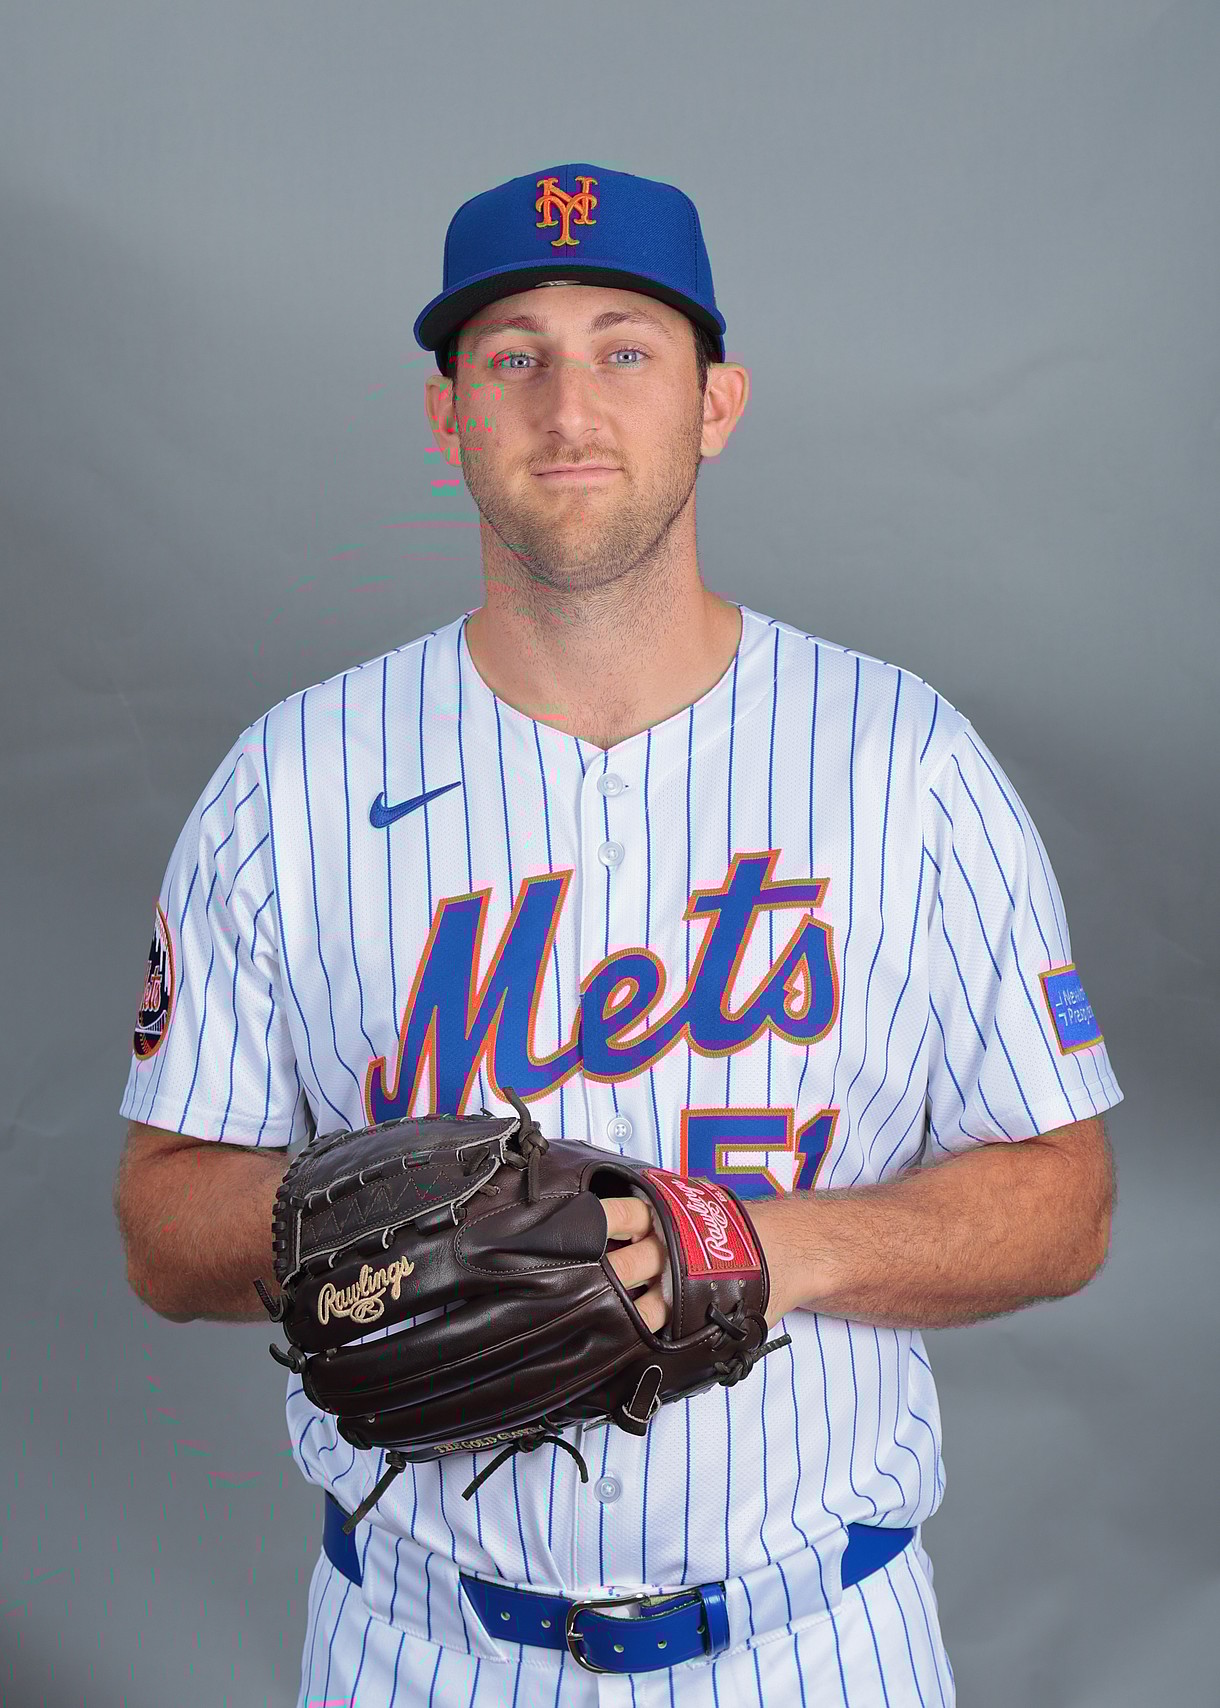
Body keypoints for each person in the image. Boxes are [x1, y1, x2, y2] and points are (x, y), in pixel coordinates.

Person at [114, 163, 1122, 1706]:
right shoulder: (290, 783)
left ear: (716, 403)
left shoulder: (904, 764)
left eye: (626, 350)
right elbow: (158, 1223)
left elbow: (1067, 1202)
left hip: (815, 1646)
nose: (568, 406)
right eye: (512, 356)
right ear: (446, 418)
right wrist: (411, 1234)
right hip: (421, 1652)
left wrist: (764, 1247)